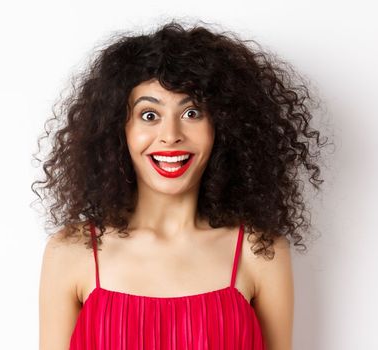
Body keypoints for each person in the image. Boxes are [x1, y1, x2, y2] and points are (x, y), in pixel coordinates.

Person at [33, 20, 330, 350]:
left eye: (192, 113)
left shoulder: (260, 252)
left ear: (223, 126)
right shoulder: (72, 252)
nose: (171, 134)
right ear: (119, 130)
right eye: (149, 115)